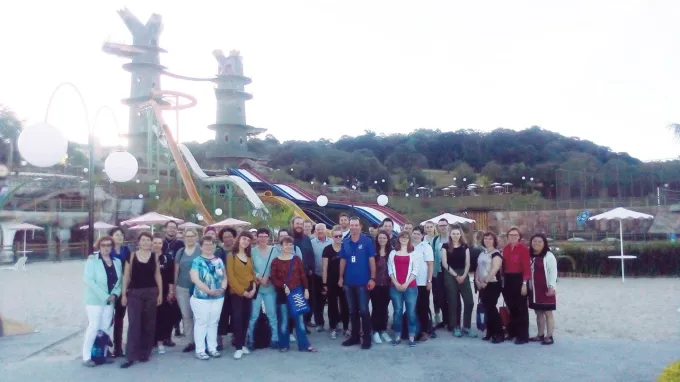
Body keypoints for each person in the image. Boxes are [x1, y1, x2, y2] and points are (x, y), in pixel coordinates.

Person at [120, 232, 163, 368]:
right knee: (134, 324)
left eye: (148, 240)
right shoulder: (131, 256)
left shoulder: (155, 256)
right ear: (138, 242)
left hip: (151, 292)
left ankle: (145, 353)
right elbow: (126, 276)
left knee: (149, 323)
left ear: (151, 243)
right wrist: (123, 294)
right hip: (134, 292)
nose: (145, 242)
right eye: (143, 240)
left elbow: (158, 275)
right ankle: (130, 356)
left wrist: (160, 293)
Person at [269, 236, 317, 352]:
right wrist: (283, 286)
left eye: (290, 245)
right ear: (281, 246)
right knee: (284, 320)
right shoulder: (275, 261)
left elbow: (302, 275)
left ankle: (304, 345)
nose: (288, 247)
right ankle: (284, 344)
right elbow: (273, 278)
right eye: (286, 244)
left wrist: (306, 289)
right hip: (282, 295)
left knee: (299, 320)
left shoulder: (296, 260)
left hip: (296, 292)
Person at [82, 236, 122, 367]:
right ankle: (86, 356)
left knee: (105, 328)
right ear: (99, 246)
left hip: (111, 301)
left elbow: (119, 281)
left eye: (109, 245)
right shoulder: (92, 261)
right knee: (93, 327)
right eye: (103, 245)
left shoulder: (116, 261)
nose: (106, 247)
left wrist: (115, 294)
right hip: (95, 301)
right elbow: (89, 281)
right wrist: (105, 296)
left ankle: (103, 355)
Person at [338, 216, 376, 350]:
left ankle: (366, 339)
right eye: (351, 225)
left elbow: (372, 261)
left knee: (364, 311)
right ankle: (354, 337)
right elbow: (343, 261)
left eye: (356, 225)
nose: (353, 227)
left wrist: (372, 278)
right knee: (352, 311)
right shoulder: (345, 242)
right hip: (349, 282)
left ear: (360, 227)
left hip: (363, 283)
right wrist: (341, 277)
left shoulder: (367, 242)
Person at [190, 235, 228, 360]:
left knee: (213, 323)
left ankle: (212, 348)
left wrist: (222, 289)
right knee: (201, 323)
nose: (208, 246)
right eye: (205, 244)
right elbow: (195, 278)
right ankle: (200, 350)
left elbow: (224, 277)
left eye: (211, 244)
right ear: (201, 246)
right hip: (201, 298)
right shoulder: (197, 261)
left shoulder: (219, 260)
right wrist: (208, 291)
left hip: (218, 297)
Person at [441, 226, 476, 338]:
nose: (455, 236)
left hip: (463, 274)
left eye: (457, 234)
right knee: (453, 302)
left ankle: (467, 326)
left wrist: (464, 275)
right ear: (450, 235)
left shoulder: (465, 247)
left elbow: (468, 263)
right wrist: (456, 275)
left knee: (469, 301)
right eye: (453, 234)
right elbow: (445, 264)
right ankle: (455, 326)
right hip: (450, 274)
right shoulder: (445, 246)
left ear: (460, 235)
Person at [246, 228, 279, 350]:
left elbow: (277, 267)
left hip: (270, 287)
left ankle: (274, 338)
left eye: (265, 236)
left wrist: (269, 277)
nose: (263, 238)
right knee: (253, 315)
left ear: (269, 238)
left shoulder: (274, 251)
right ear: (257, 237)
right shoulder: (252, 251)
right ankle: (251, 339)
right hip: (256, 287)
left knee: (272, 314)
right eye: (260, 236)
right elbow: (249, 268)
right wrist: (259, 278)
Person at [227, 232, 257, 360]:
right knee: (238, 319)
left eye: (248, 240)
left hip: (250, 291)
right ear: (239, 240)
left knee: (246, 318)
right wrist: (242, 291)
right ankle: (238, 347)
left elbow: (252, 274)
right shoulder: (231, 256)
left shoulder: (249, 256)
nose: (246, 242)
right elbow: (231, 277)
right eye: (244, 239)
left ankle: (243, 344)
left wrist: (254, 288)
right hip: (237, 293)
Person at [387, 231, 419, 347]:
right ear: (398, 239)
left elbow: (415, 270)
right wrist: (395, 283)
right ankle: (397, 336)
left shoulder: (414, 253)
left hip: (410, 287)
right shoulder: (392, 253)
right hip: (395, 287)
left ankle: (411, 337)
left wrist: (406, 283)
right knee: (397, 312)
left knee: (411, 312)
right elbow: (390, 270)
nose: (404, 239)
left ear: (409, 239)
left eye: (406, 237)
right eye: (402, 237)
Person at [173, 228, 201, 353]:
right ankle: (191, 341)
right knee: (186, 316)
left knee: (198, 315)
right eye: (187, 236)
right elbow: (176, 270)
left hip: (198, 288)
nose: (190, 238)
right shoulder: (181, 251)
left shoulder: (200, 250)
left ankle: (200, 340)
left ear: (196, 236)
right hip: (182, 287)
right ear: (184, 237)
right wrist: (174, 287)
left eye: (192, 236)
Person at [502, 226, 531, 345]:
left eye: (515, 235)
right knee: (511, 307)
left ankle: (523, 335)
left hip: (519, 279)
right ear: (508, 237)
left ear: (519, 237)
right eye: (511, 235)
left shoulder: (523, 249)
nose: (513, 237)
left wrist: (524, 283)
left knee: (521, 309)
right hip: (508, 280)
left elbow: (527, 268)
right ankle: (512, 332)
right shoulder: (505, 248)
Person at [475, 231, 504, 343]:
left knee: (491, 308)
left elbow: (495, 269)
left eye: (490, 238)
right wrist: (477, 280)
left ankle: (499, 333)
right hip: (482, 284)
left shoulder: (496, 254)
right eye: (486, 238)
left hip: (493, 284)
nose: (487, 240)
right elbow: (478, 267)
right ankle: (490, 332)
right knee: (487, 308)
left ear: (494, 241)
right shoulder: (483, 253)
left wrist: (486, 281)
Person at [528, 233, 557, 345]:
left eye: (540, 241)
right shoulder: (529, 255)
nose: (536, 243)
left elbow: (553, 272)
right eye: (534, 241)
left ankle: (549, 336)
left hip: (545, 288)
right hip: (534, 289)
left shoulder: (549, 256)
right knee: (538, 312)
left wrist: (551, 287)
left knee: (547, 312)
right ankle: (540, 335)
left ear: (544, 243)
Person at [322, 226, 350, 340]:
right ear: (332, 236)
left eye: (340, 236)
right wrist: (324, 284)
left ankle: (346, 327)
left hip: (345, 281)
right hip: (331, 281)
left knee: (345, 305)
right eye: (336, 236)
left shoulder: (346, 248)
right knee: (332, 305)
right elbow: (324, 268)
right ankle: (333, 327)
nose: (338, 237)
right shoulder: (327, 249)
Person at [108, 227, 130, 358]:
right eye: (117, 235)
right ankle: (103, 343)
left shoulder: (125, 250)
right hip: (109, 290)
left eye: (121, 235)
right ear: (111, 237)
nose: (120, 237)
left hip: (123, 288)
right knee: (106, 319)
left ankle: (118, 347)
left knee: (119, 319)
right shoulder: (107, 251)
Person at [152, 235, 175, 355]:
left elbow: (171, 276)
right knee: (150, 319)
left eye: (159, 243)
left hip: (164, 292)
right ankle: (151, 341)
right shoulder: (146, 257)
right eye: (154, 242)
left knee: (162, 317)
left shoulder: (167, 258)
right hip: (149, 292)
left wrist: (171, 291)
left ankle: (161, 341)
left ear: (162, 245)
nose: (157, 245)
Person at [291, 216, 316, 328]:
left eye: (301, 223)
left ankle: (305, 323)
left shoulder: (306, 238)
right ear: (293, 225)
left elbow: (310, 254)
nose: (299, 226)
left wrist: (311, 269)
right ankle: (294, 325)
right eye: (297, 223)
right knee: (295, 300)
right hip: (292, 276)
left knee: (307, 299)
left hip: (306, 275)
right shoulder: (289, 238)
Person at [161, 220, 184, 339]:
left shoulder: (180, 244)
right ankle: (160, 336)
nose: (172, 229)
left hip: (176, 278)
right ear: (165, 228)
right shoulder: (160, 243)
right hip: (161, 279)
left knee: (174, 308)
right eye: (170, 227)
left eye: (174, 228)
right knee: (162, 309)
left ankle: (169, 335)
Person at [411, 227, 434, 341]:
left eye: (418, 234)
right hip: (410, 282)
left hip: (422, 282)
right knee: (413, 308)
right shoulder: (409, 246)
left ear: (422, 235)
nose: (415, 236)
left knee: (423, 307)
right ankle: (415, 330)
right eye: (414, 233)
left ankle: (425, 331)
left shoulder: (426, 246)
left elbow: (430, 265)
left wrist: (429, 281)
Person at [216, 227, 237, 349]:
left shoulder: (238, 250)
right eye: (225, 237)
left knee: (235, 312)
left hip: (235, 287)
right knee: (222, 313)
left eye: (230, 236)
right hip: (222, 287)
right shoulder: (218, 251)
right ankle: (220, 338)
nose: (228, 238)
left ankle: (235, 336)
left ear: (234, 237)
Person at [370, 230, 392, 344]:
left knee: (384, 308)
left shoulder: (391, 252)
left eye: (384, 238)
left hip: (387, 285)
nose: (382, 239)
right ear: (377, 239)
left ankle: (383, 330)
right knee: (376, 308)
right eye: (380, 238)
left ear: (387, 239)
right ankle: (375, 331)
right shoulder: (373, 252)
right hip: (375, 284)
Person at [310, 223, 331, 332]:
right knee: (318, 302)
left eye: (322, 229)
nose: (320, 231)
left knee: (331, 301)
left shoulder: (332, 242)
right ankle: (319, 323)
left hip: (330, 277)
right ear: (315, 231)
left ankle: (333, 323)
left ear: (326, 230)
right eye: (318, 229)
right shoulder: (312, 243)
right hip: (317, 276)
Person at [430, 219, 450, 329]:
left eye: (444, 225)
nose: (442, 227)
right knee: (440, 297)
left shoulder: (452, 238)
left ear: (448, 226)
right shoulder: (435, 240)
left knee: (451, 296)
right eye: (440, 225)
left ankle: (452, 321)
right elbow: (432, 256)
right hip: (438, 271)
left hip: (451, 271)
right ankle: (445, 320)